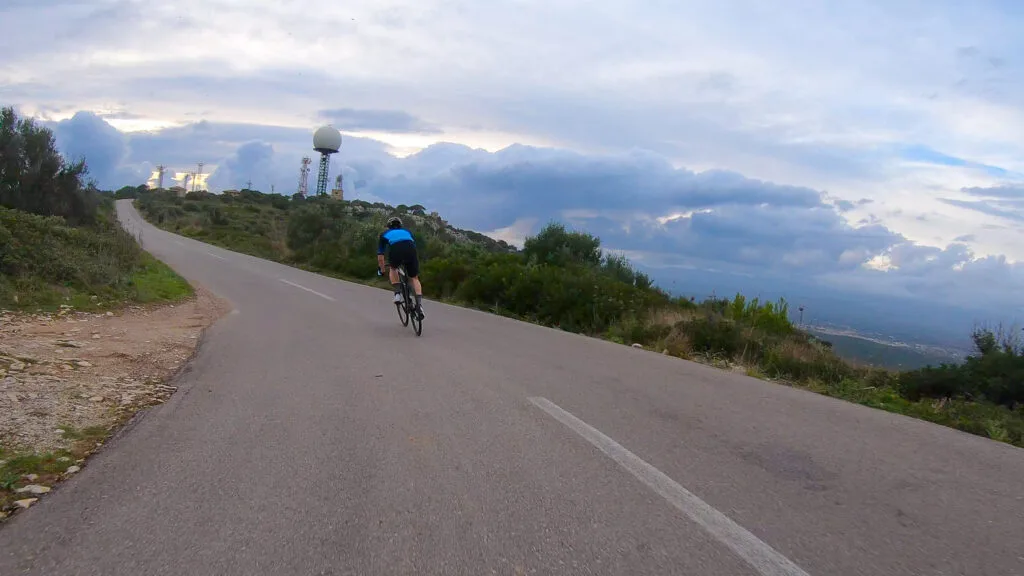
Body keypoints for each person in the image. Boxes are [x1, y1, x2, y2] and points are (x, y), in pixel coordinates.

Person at [377, 216, 424, 316]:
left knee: (393, 268)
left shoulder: (384, 234)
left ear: (389, 226)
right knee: (414, 278)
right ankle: (419, 305)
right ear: (400, 225)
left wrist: (382, 269)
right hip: (411, 249)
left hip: (396, 250)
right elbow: (413, 245)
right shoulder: (407, 232)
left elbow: (380, 257)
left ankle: (397, 294)